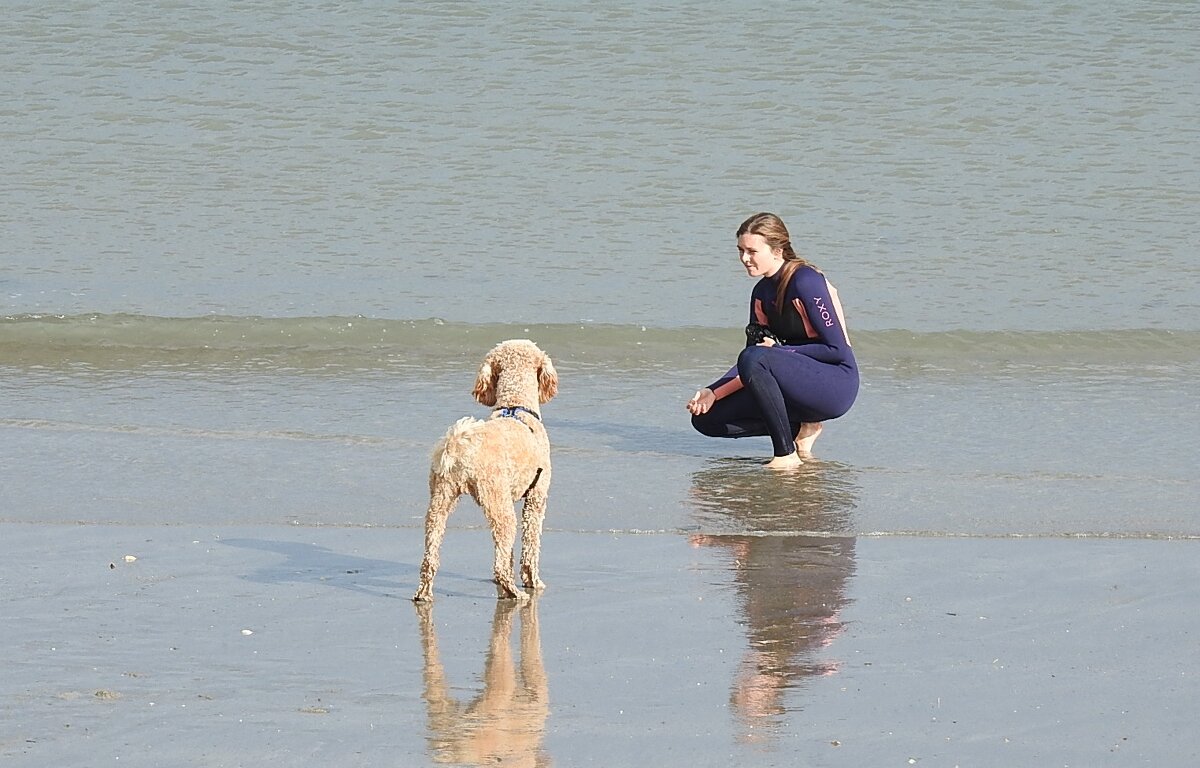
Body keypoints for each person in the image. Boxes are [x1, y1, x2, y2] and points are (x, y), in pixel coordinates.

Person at [686, 212, 858, 469]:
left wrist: (781, 351)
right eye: (740, 250)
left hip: (834, 383)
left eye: (752, 251)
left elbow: (836, 350)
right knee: (706, 418)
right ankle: (799, 428)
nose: (744, 258)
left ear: (777, 251)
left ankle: (785, 456)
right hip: (790, 382)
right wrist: (713, 391)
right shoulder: (761, 293)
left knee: (757, 356)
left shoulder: (806, 281)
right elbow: (751, 364)